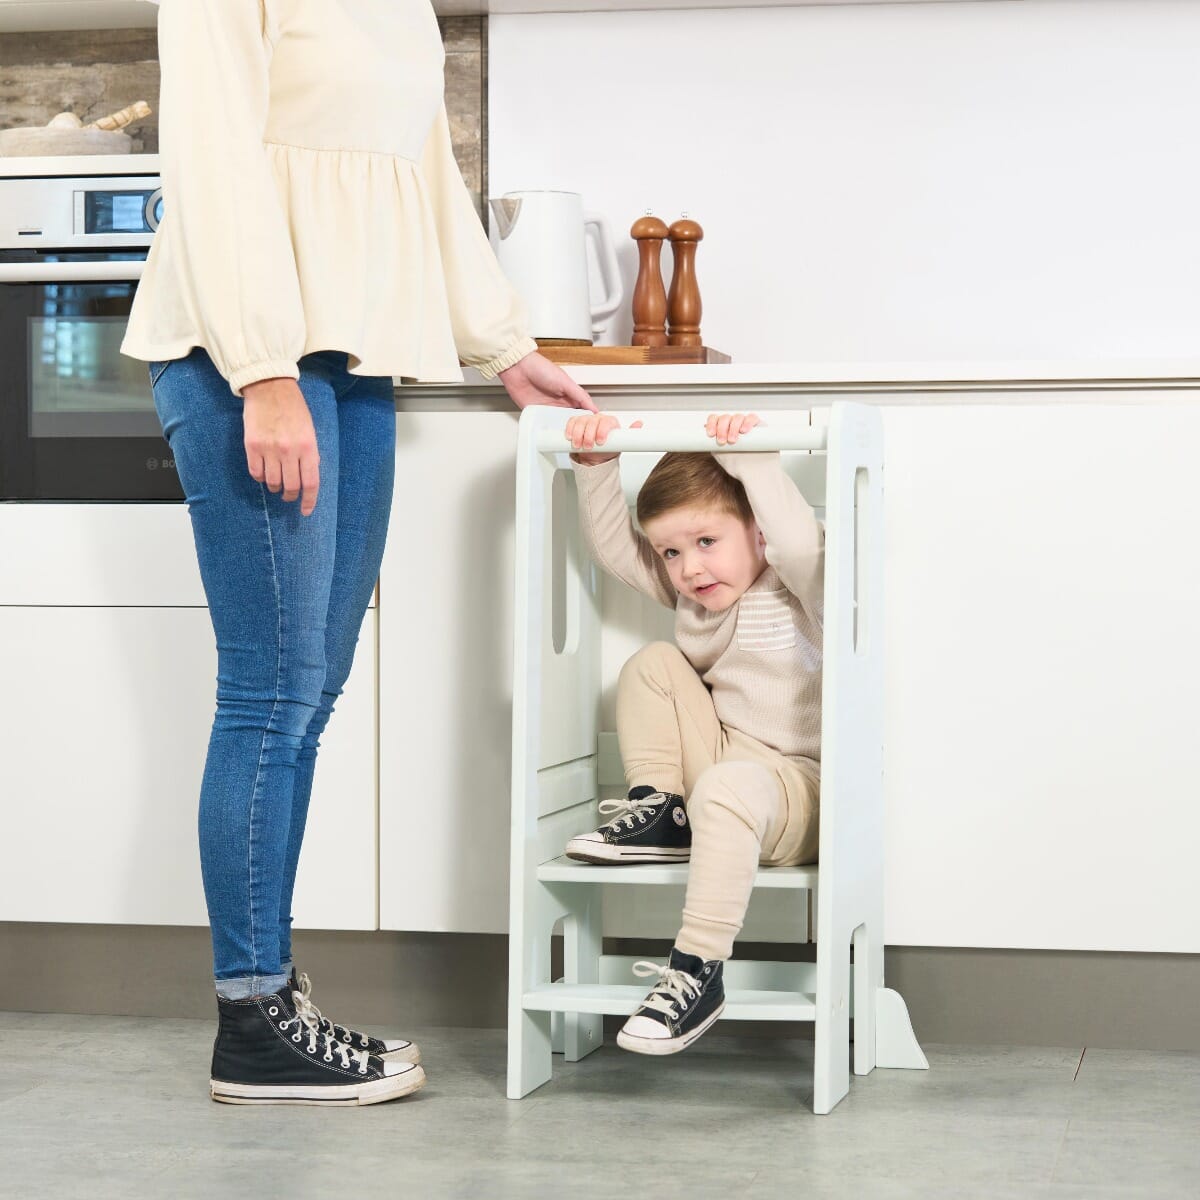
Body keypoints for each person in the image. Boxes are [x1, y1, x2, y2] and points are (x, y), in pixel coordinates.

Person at [121, 0, 595, 1107]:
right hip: (247, 360)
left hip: (356, 364)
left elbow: (425, 175)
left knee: (310, 692)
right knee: (268, 694)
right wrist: (262, 368)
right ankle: (250, 1017)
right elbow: (212, 165)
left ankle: (274, 997)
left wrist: (505, 344)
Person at [563, 411, 822, 1055]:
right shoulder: (694, 599)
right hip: (724, 778)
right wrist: (597, 469)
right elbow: (618, 551)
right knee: (652, 664)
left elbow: (799, 543)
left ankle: (697, 969)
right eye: (673, 553)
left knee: (730, 785)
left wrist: (754, 459)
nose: (689, 569)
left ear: (756, 532)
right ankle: (662, 809)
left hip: (798, 792)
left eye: (707, 542)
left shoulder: (801, 585)